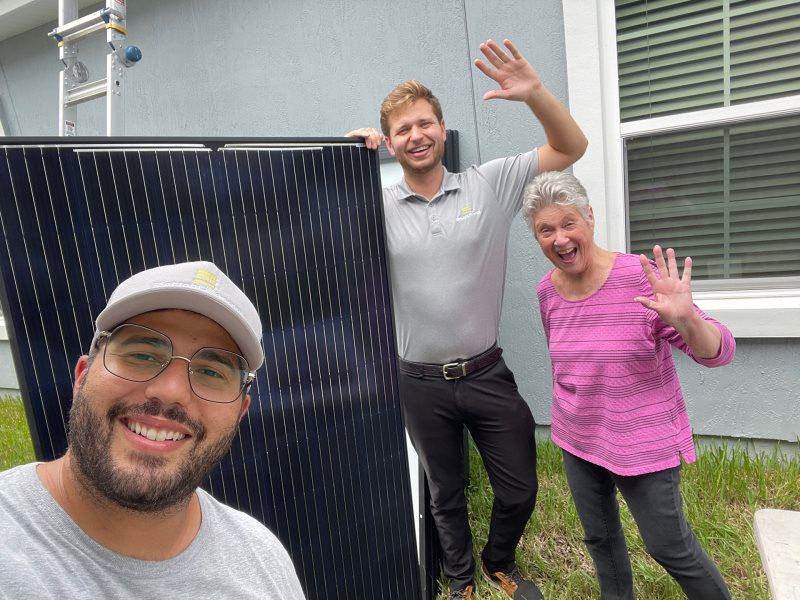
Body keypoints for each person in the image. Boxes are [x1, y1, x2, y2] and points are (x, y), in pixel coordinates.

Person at [348, 39, 587, 599]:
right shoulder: (372, 204)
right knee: (443, 493)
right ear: (391, 139)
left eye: (424, 123)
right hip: (418, 381)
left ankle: (497, 557)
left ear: (441, 126)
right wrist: (345, 160)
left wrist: (535, 95)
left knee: (520, 487)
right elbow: (305, 211)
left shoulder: (490, 183)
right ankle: (459, 582)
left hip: (485, 372)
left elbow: (571, 146)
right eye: (402, 128)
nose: (416, 135)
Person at [0, 261, 305, 600]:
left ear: (239, 413)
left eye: (212, 372)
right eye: (142, 354)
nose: (172, 391)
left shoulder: (263, 561)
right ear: (82, 376)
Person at [523, 171, 735, 599]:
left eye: (569, 224)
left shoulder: (640, 277)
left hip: (643, 442)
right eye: (546, 230)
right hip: (578, 438)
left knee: (669, 546)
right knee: (600, 540)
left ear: (590, 218)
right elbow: (567, 365)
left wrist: (687, 318)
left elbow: (719, 352)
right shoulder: (547, 291)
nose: (560, 239)